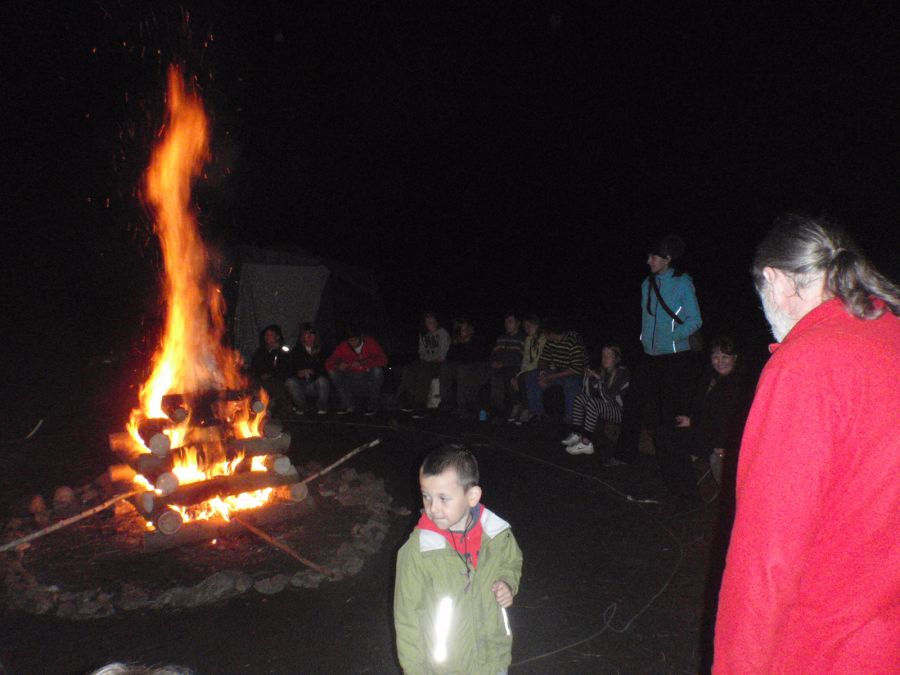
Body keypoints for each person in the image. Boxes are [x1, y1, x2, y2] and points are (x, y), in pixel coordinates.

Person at [714, 214, 900, 673]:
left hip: (823, 646)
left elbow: (766, 555)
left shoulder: (806, 365)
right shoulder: (891, 338)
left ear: (775, 280)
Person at [394, 444, 523, 674]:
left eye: (443, 498)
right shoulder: (418, 551)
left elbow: (511, 561)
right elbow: (407, 618)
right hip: (446, 669)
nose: (433, 508)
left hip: (493, 660)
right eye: (426, 496)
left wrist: (507, 582)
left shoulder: (496, 534)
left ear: (472, 496)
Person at [612, 234, 702, 464]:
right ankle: (624, 455)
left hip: (674, 356)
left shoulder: (682, 283)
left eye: (653, 257)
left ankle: (675, 462)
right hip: (650, 355)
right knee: (633, 402)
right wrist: (644, 340)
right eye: (649, 256)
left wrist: (672, 337)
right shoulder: (647, 284)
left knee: (669, 410)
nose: (648, 261)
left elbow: (695, 320)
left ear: (667, 259)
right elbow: (647, 317)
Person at [654, 336, 749, 500]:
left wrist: (724, 444)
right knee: (662, 433)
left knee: (674, 442)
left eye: (725, 357)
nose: (720, 362)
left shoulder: (739, 383)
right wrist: (691, 420)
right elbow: (705, 410)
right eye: (716, 357)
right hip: (705, 429)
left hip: (721, 439)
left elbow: (732, 419)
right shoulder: (711, 377)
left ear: (735, 358)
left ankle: (688, 494)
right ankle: (677, 490)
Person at [562, 344, 631, 456]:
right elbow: (588, 395)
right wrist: (588, 378)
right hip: (609, 407)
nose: (605, 358)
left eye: (609, 355)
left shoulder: (622, 373)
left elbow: (609, 399)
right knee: (580, 398)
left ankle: (586, 443)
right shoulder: (603, 371)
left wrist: (600, 381)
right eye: (603, 355)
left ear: (616, 358)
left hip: (623, 412)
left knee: (594, 404)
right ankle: (576, 434)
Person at [521, 318, 586, 423]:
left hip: (574, 373)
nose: (544, 334)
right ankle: (538, 412)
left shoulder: (573, 341)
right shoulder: (551, 342)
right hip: (557, 371)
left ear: (550, 333)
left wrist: (549, 377)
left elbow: (575, 369)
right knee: (531, 377)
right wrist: (542, 373)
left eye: (545, 332)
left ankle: (571, 420)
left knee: (571, 383)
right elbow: (543, 359)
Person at [325, 326, 388, 415]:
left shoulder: (370, 343)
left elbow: (383, 359)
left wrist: (364, 363)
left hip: (367, 375)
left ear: (360, 337)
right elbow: (329, 363)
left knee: (378, 371)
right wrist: (339, 365)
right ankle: (347, 404)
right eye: (350, 341)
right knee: (332, 372)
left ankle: (372, 404)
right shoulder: (343, 346)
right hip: (350, 375)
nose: (353, 343)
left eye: (355, 340)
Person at [396, 312, 450, 412]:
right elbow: (421, 353)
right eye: (429, 322)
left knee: (424, 371)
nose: (433, 324)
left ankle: (420, 403)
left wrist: (429, 359)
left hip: (440, 364)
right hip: (426, 361)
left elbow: (442, 355)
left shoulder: (442, 333)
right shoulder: (423, 335)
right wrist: (428, 358)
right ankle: (407, 399)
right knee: (409, 368)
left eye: (434, 321)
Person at [438, 318, 491, 416]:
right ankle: (446, 402)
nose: (466, 331)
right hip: (461, 366)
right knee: (445, 368)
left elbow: (476, 358)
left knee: (463, 369)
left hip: (477, 367)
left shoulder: (477, 340)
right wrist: (459, 344)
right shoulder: (456, 343)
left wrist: (466, 344)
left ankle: (463, 405)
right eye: (462, 329)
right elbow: (450, 357)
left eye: (467, 328)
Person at [248, 324, 294, 415]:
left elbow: (287, 367)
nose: (267, 337)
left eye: (270, 335)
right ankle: (256, 408)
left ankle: (279, 408)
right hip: (261, 379)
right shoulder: (261, 351)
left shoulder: (283, 350)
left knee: (274, 387)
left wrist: (271, 374)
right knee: (253, 386)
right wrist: (260, 374)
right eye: (266, 335)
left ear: (277, 337)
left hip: (278, 379)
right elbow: (254, 366)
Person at [284, 323, 330, 415]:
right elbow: (289, 369)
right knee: (290, 382)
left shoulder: (323, 349)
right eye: (306, 334)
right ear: (302, 336)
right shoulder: (296, 351)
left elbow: (327, 368)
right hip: (301, 384)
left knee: (322, 381)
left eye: (311, 333)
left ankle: (322, 407)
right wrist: (298, 373)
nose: (309, 336)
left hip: (316, 384)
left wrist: (314, 371)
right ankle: (302, 407)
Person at [508, 314, 545, 422]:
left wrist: (521, 374)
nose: (526, 329)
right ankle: (520, 405)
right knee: (513, 377)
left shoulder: (543, 338)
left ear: (536, 325)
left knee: (524, 377)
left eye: (529, 326)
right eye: (525, 327)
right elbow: (525, 360)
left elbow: (539, 360)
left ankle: (529, 408)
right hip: (530, 369)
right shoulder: (528, 339)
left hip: (542, 368)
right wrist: (518, 374)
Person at [488, 312, 525, 418]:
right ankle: (497, 409)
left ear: (517, 324)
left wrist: (505, 364)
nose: (507, 325)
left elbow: (523, 359)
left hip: (515, 367)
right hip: (501, 366)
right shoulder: (502, 338)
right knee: (494, 374)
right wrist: (494, 362)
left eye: (510, 322)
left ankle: (517, 404)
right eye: (505, 322)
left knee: (509, 374)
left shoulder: (522, 339)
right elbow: (494, 354)